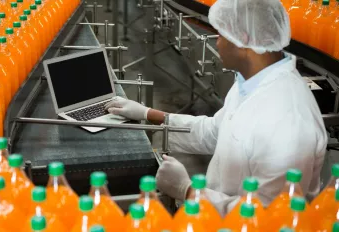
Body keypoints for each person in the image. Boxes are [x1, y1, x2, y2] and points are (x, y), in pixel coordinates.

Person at [105, 0, 327, 216]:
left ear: (243, 39)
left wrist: (189, 191)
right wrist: (147, 114)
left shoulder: (288, 122)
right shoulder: (251, 82)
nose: (217, 42)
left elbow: (267, 217)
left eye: (220, 34)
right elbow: (215, 132)